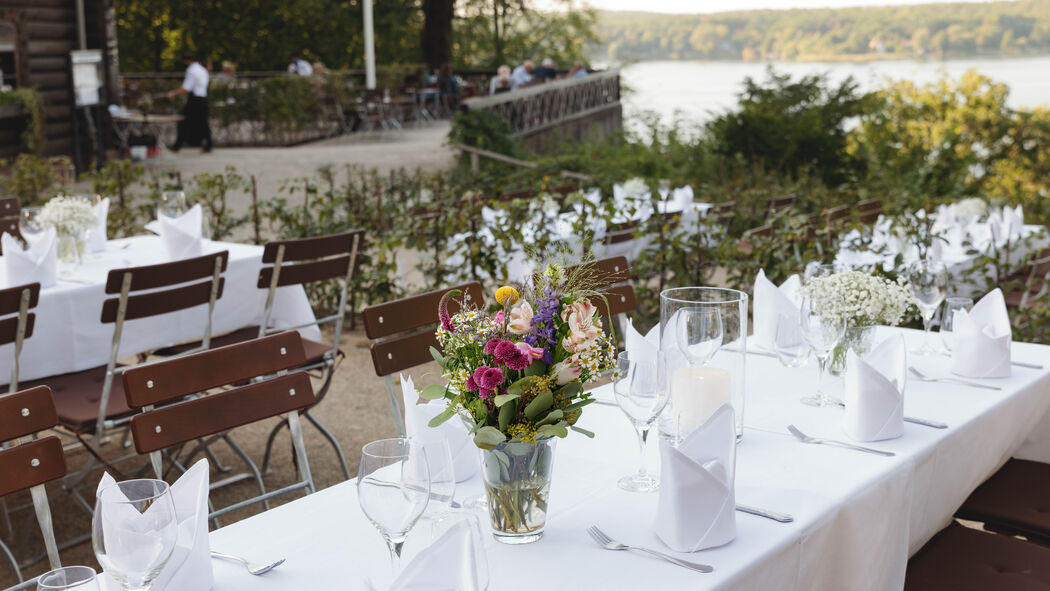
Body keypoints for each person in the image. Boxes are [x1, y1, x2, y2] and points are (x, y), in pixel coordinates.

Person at [166, 53, 212, 153]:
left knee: (183, 123)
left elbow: (187, 87)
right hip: (203, 98)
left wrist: (173, 93)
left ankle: (177, 146)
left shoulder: (192, 70)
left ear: (186, 61)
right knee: (203, 123)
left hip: (195, 100)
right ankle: (208, 144)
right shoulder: (202, 69)